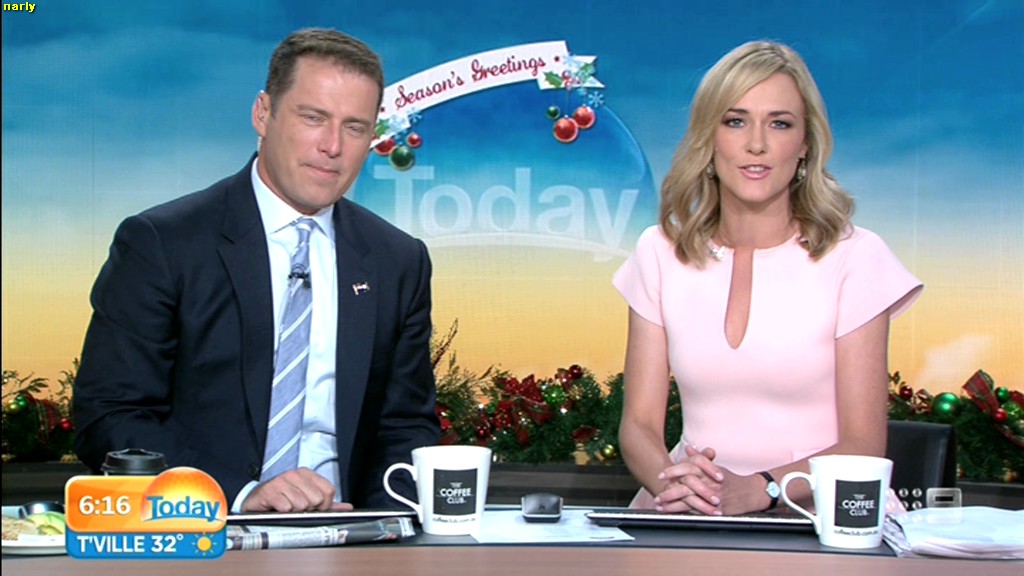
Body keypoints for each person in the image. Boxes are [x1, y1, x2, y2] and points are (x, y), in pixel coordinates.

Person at [73, 28, 440, 513]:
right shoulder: (162, 243)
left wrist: (382, 525)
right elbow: (108, 416)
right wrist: (238, 495)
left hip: (350, 532)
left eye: (355, 128)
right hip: (205, 531)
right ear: (263, 114)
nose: (333, 146)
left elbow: (406, 427)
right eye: (314, 118)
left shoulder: (398, 260)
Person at [612, 40, 923, 516]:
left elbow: (863, 444)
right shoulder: (660, 252)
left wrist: (764, 490)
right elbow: (638, 426)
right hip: (689, 511)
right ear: (709, 138)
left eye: (779, 123)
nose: (756, 143)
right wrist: (678, 488)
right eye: (735, 121)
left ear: (805, 144)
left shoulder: (855, 257)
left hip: (826, 517)